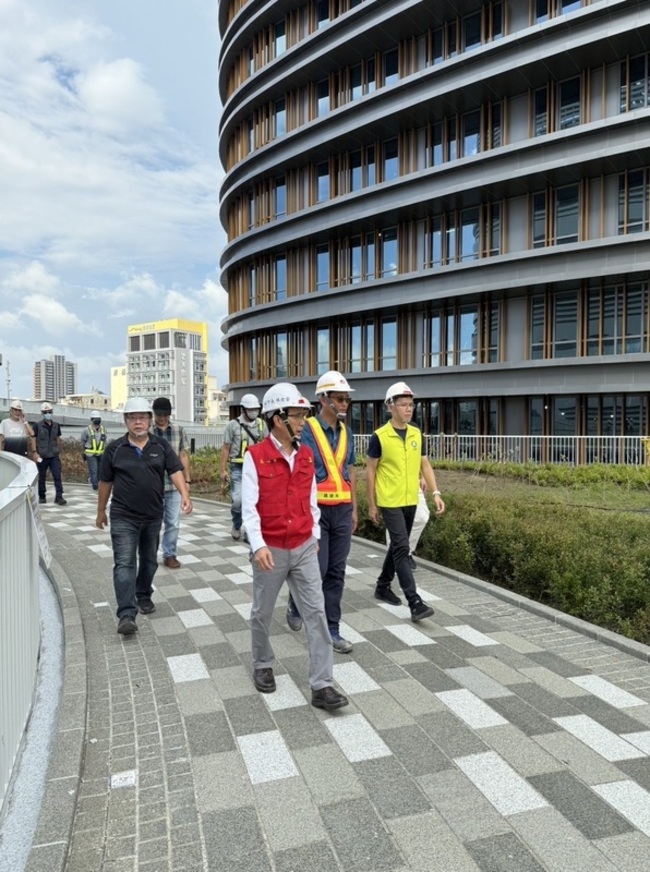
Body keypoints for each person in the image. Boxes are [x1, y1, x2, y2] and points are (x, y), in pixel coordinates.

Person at [242, 382, 349, 711]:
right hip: (270, 549)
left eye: (305, 414)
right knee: (262, 611)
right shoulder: (255, 457)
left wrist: (314, 534)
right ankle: (262, 663)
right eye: (297, 415)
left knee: (315, 613)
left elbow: (312, 498)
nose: (303, 421)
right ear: (277, 418)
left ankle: (322, 685)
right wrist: (258, 545)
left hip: (303, 545)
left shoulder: (305, 454)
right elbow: (249, 508)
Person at [96, 397, 192, 635]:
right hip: (123, 516)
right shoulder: (115, 449)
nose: (137, 422)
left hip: (152, 516)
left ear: (149, 420)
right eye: (132, 417)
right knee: (125, 563)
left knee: (149, 561)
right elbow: (105, 481)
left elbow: (175, 470)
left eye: (142, 417)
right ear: (125, 421)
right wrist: (100, 511)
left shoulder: (160, 446)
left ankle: (143, 593)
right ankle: (126, 614)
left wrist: (185, 494)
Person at [286, 371, 358, 654]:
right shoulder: (306, 429)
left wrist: (354, 508)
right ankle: (295, 599)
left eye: (347, 399)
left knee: (337, 572)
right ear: (323, 399)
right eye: (339, 398)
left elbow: (350, 471)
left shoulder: (346, 432)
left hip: (341, 511)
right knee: (319, 569)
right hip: (315, 512)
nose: (344, 403)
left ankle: (332, 629)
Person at [366, 382, 445, 622]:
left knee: (397, 546)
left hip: (411, 498)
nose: (408, 409)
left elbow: (425, 464)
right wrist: (371, 503)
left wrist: (435, 493)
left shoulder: (416, 433)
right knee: (402, 547)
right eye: (403, 405)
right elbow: (370, 471)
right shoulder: (379, 436)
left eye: (411, 405)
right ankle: (415, 602)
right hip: (389, 500)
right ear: (390, 406)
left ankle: (382, 586)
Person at [152, 396, 191, 569]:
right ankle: (150, 554)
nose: (162, 418)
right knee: (152, 521)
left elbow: (183, 456)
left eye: (165, 414)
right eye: (159, 414)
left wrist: (187, 481)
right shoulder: (147, 431)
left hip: (174, 484)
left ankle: (170, 554)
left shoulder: (178, 430)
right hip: (152, 485)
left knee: (173, 522)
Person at [220, 393, 265, 540]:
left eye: (256, 409)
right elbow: (226, 448)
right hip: (237, 468)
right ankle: (237, 524)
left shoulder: (261, 424)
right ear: (243, 410)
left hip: (257, 469)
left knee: (253, 501)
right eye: (250, 409)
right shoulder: (232, 426)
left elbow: (266, 446)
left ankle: (248, 530)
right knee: (238, 501)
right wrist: (222, 470)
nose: (254, 412)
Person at [386, 480, 430, 571]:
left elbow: (423, 465)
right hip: (393, 482)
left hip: (412, 482)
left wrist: (422, 476)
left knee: (422, 516)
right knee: (395, 519)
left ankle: (406, 551)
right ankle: (396, 556)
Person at [32, 402, 67, 505]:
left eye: (50, 412)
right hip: (41, 455)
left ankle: (59, 496)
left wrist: (58, 450)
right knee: (42, 477)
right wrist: (34, 452)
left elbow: (57, 439)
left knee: (57, 475)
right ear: (42, 413)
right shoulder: (37, 425)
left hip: (54, 455)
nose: (48, 414)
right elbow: (33, 439)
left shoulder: (56, 425)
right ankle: (42, 496)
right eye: (46, 412)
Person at [80, 412, 107, 491]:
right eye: (95, 419)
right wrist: (83, 452)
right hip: (90, 454)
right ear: (92, 420)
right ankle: (95, 486)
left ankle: (98, 484)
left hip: (101, 453)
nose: (97, 421)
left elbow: (105, 442)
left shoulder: (104, 430)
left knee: (100, 471)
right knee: (94, 470)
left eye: (98, 419)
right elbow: (82, 442)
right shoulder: (86, 430)